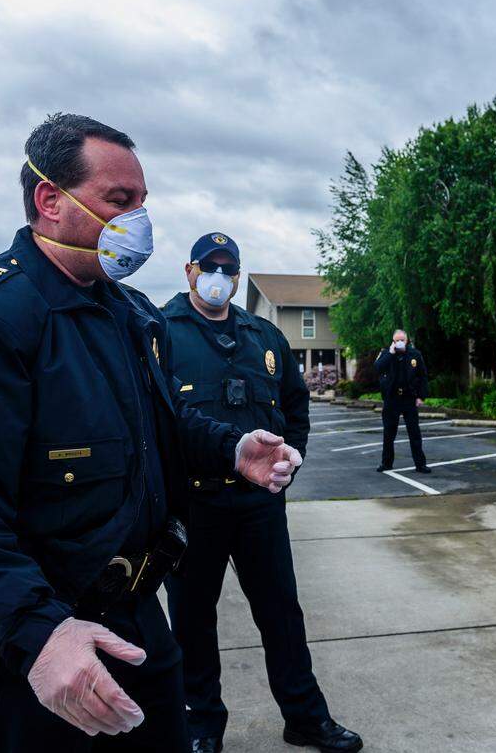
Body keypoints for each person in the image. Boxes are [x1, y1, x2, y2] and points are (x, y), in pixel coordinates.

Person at [0, 113, 303, 753]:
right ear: (50, 200)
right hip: (40, 652)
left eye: (142, 203)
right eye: (119, 201)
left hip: (137, 624)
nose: (138, 222)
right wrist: (39, 633)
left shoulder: (127, 313)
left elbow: (154, 425)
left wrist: (231, 447)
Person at [162, 234, 362, 753]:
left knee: (281, 613)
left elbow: (295, 408)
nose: (220, 276)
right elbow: (156, 421)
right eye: (211, 265)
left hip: (259, 506)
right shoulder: (160, 333)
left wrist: (290, 459)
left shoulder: (264, 337)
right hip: (193, 503)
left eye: (230, 268)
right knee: (192, 620)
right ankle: (202, 725)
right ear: (189, 271)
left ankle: (305, 718)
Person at [373, 330, 430, 473]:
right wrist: (390, 353)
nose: (399, 342)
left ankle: (420, 464)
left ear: (407, 341)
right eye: (396, 340)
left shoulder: (415, 354)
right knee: (389, 433)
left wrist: (420, 396)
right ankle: (386, 463)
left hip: (409, 398)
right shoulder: (386, 354)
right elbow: (378, 368)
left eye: (402, 340)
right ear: (392, 341)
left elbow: (423, 376)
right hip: (392, 399)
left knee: (414, 433)